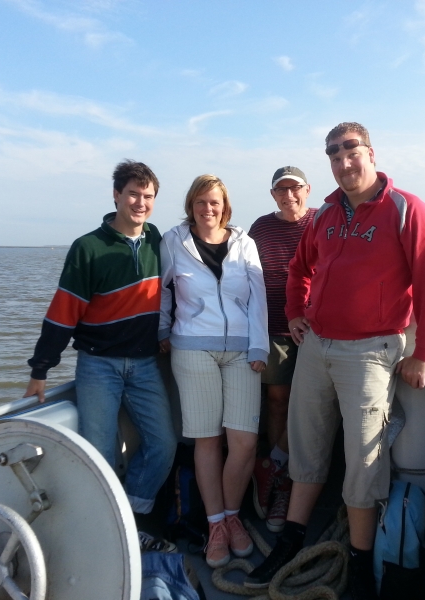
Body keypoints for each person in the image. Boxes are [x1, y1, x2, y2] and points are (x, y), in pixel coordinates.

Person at [245, 123, 425, 598]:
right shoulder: (325, 215)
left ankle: (358, 563)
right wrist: (295, 312)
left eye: (350, 152)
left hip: (370, 352)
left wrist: (424, 354)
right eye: (333, 156)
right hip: (316, 346)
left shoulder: (407, 210)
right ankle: (291, 541)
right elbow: (300, 268)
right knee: (306, 445)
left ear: (371, 154)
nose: (343, 163)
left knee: (362, 460)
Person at [24, 160, 177, 552]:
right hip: (98, 366)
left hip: (145, 363)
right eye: (133, 194)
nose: (140, 202)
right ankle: (107, 532)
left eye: (148, 196)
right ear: (116, 195)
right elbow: (64, 311)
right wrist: (40, 369)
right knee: (100, 453)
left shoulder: (156, 239)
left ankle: (128, 516)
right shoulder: (87, 247)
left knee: (163, 444)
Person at [159, 174, 269, 568]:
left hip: (242, 350)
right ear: (191, 205)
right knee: (207, 440)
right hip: (193, 349)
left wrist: (259, 345)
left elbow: (257, 297)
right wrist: (161, 330)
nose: (208, 209)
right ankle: (217, 524)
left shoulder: (245, 243)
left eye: (215, 202)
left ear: (225, 207)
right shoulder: (173, 241)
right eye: (201, 202)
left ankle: (233, 515)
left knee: (244, 442)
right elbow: (162, 290)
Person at [248, 166, 316, 533]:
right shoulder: (261, 227)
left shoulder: (324, 221)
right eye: (281, 190)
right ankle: (276, 479)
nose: (288, 196)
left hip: (318, 330)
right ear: (273, 195)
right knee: (277, 400)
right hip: (273, 327)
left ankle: (277, 467)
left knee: (312, 405)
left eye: (295, 188)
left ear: (308, 190)